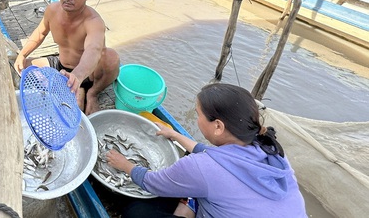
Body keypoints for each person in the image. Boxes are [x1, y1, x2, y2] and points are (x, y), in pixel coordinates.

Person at [105, 83, 307, 218]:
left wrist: (125, 165)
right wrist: (176, 135)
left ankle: (189, 208)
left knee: (136, 211)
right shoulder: (270, 149)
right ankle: (191, 206)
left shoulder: (201, 167)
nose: (196, 118)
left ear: (218, 126)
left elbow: (152, 183)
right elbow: (216, 159)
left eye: (198, 114)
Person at [13, 0, 120, 115]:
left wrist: (77, 75)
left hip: (85, 74)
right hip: (61, 64)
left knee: (111, 57)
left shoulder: (94, 21)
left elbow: (93, 49)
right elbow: (40, 33)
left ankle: (92, 93)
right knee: (22, 66)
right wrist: (22, 54)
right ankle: (69, 85)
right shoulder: (52, 10)